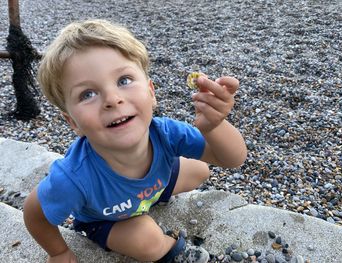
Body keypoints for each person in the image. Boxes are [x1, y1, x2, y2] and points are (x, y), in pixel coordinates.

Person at [23, 19, 247, 263]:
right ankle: (172, 247)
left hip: (150, 189)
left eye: (124, 80)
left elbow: (232, 159)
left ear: (151, 92)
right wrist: (59, 251)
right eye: (88, 94)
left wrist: (215, 126)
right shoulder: (73, 179)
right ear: (73, 122)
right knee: (148, 241)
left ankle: (150, 199)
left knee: (200, 170)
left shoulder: (166, 133)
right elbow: (35, 214)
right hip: (104, 217)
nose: (112, 98)